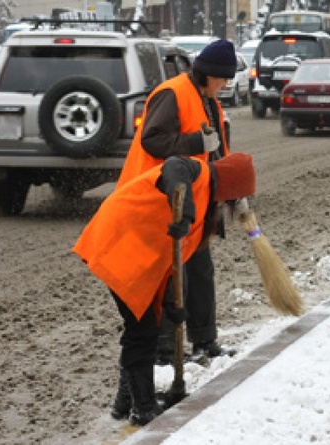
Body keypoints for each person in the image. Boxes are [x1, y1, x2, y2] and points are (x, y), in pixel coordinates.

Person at [73, 152, 257, 426]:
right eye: (233, 198)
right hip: (120, 241)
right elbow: (173, 167)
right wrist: (185, 211)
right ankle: (142, 406)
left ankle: (126, 401)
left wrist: (172, 304)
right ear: (229, 185)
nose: (229, 206)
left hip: (136, 251)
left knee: (144, 326)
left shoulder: (206, 204)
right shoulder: (196, 172)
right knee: (142, 330)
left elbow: (172, 257)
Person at [115, 40, 238, 367]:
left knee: (200, 272)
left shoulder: (207, 97)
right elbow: (152, 139)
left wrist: (228, 185)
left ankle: (205, 341)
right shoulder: (173, 93)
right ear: (209, 73)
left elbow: (215, 150)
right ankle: (165, 352)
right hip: (162, 200)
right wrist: (196, 142)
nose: (225, 85)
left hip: (195, 199)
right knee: (172, 279)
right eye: (223, 78)